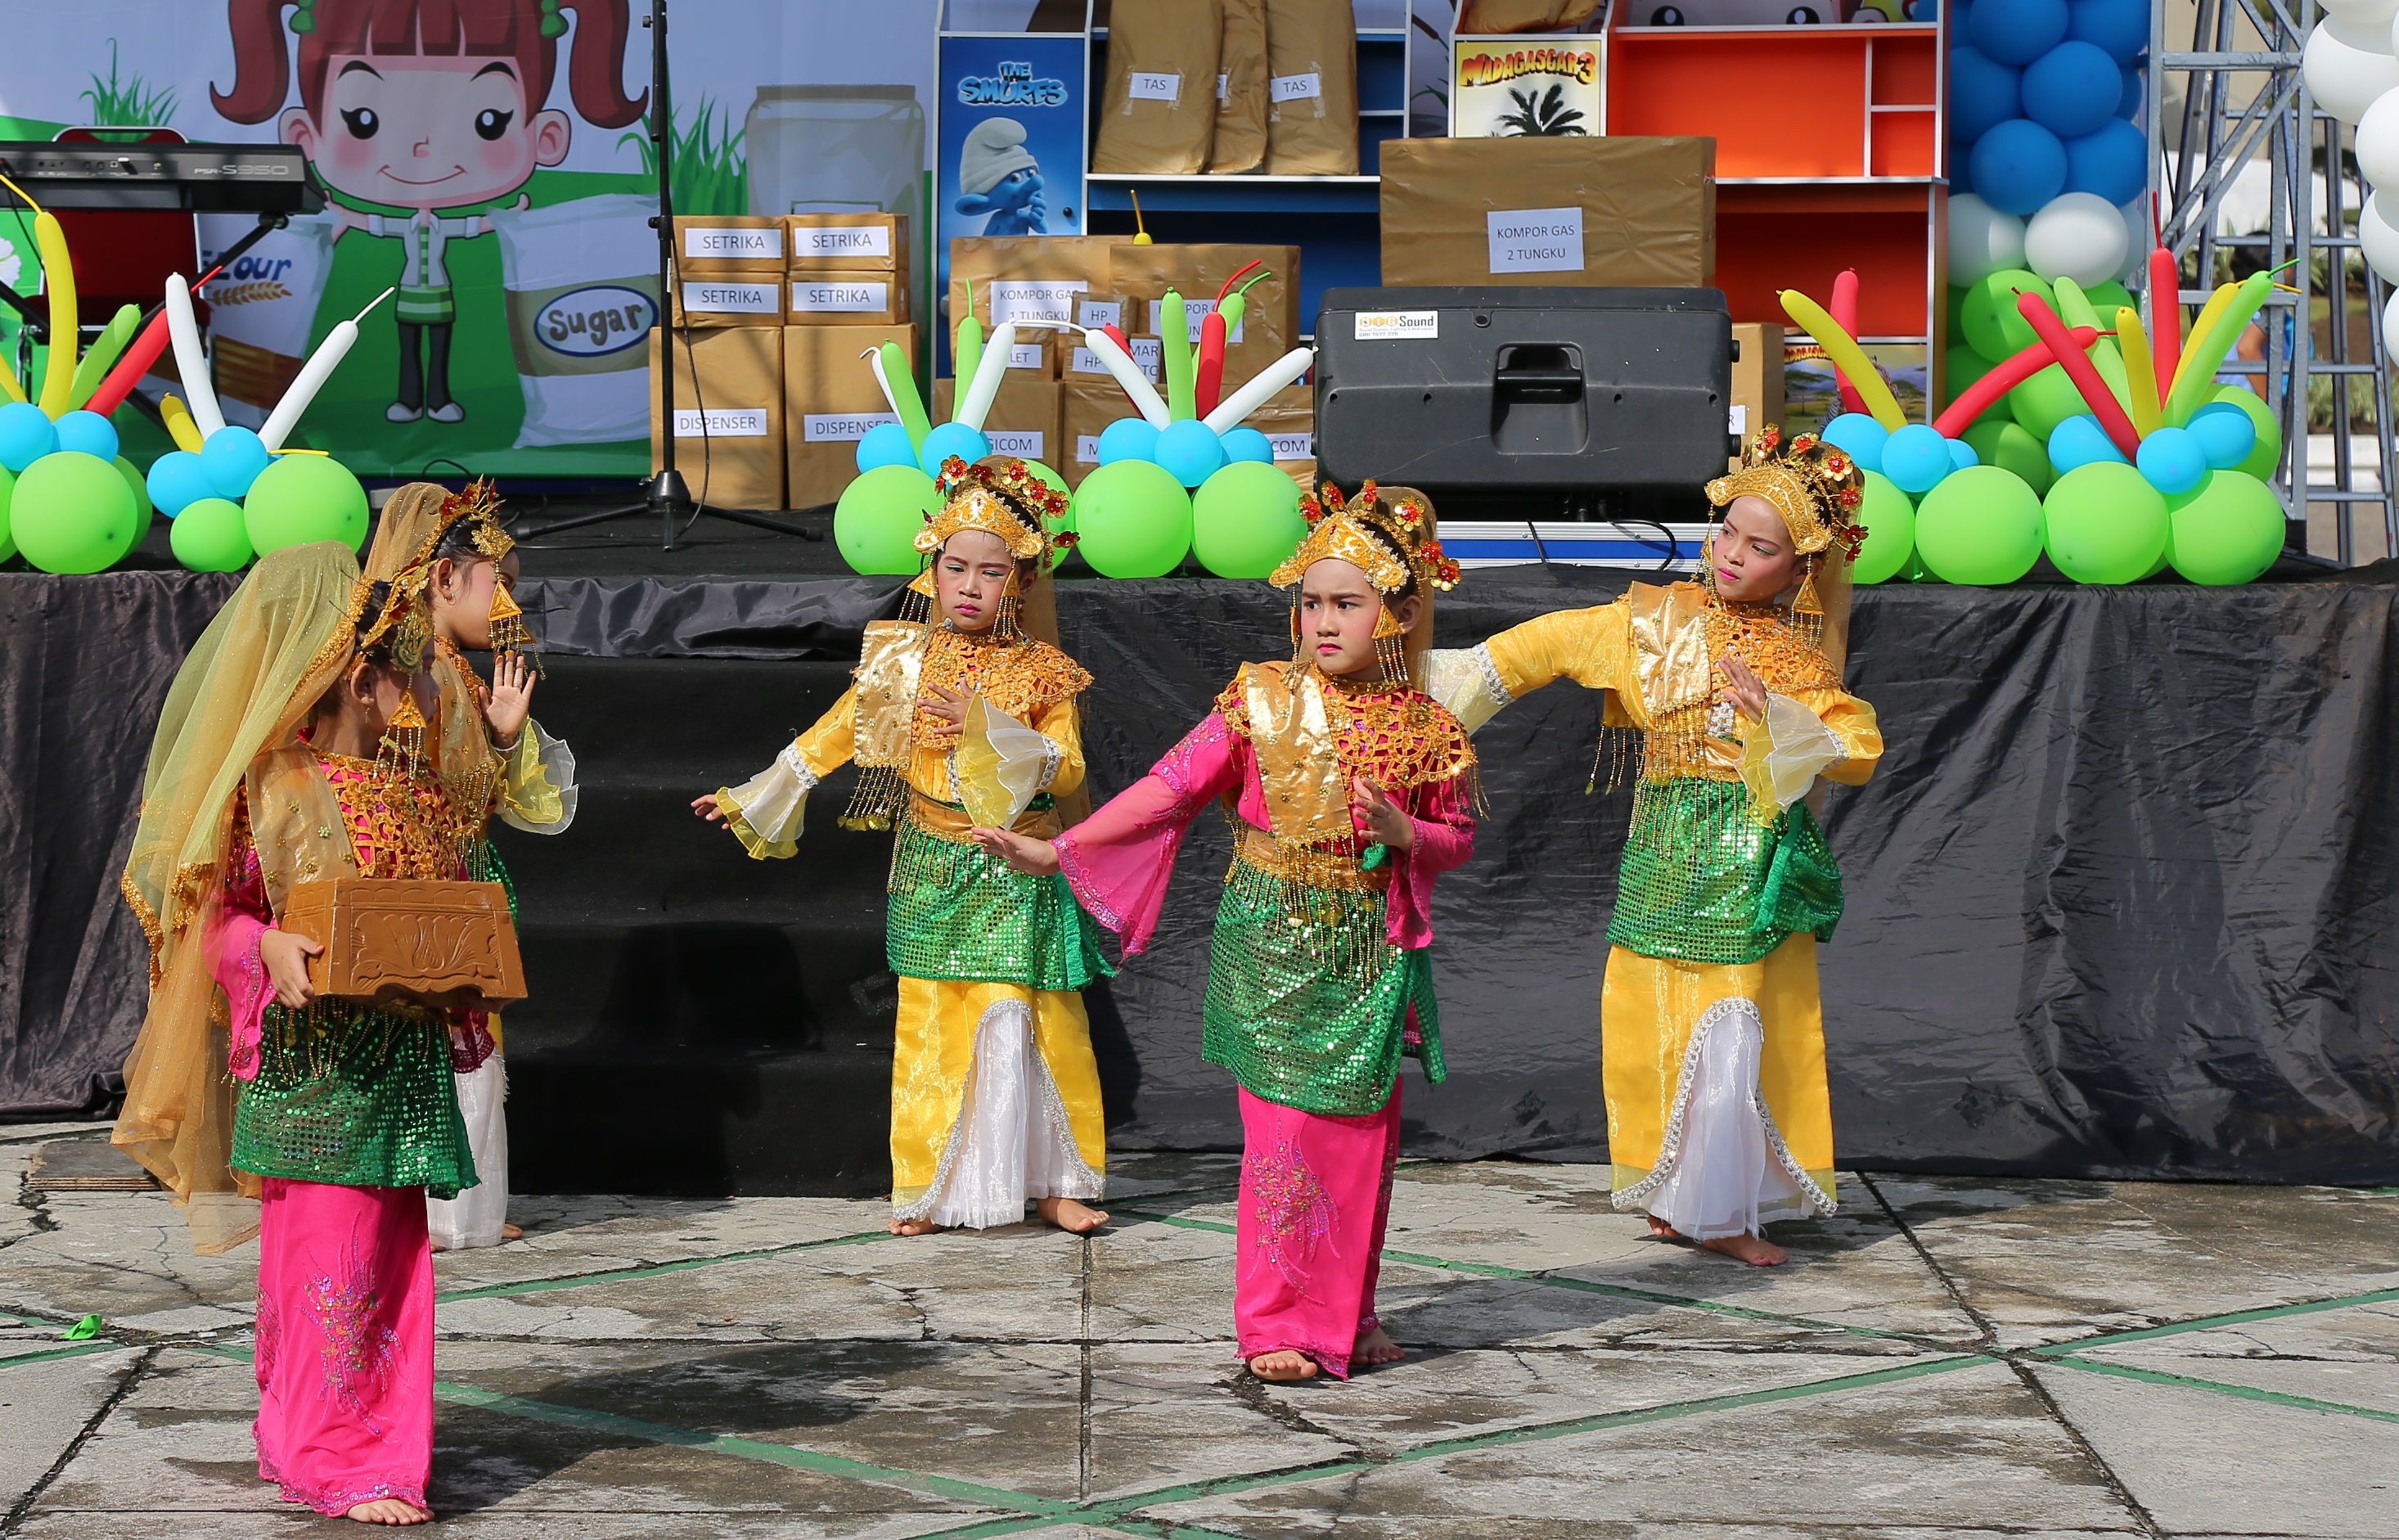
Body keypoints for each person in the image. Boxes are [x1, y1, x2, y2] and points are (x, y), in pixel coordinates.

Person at [975, 482, 1475, 1383]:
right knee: (1281, 1139)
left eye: (1346, 604)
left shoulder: (1426, 727)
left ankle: (1348, 1313)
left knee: (1359, 1140)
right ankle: (1273, 1322)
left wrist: (1409, 836)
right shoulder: (1259, 699)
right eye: (1310, 602)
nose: (1322, 622)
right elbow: (1168, 789)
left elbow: (1457, 838)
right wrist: (1061, 853)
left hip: (1364, 950)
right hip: (1268, 938)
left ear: (1396, 615)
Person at [1428, 426, 1883, 1267]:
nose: (1734, 554)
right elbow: (1549, 643)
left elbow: (1856, 746)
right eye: (1727, 533)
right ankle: (1680, 1198)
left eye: (1761, 546)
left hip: (1747, 868)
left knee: (1730, 1030)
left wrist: (1776, 719)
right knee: (1658, 1020)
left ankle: (1721, 1211)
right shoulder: (1657, 620)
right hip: (1663, 852)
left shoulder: (1792, 659)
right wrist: (1442, 694)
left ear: (1800, 568)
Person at [115, 542, 500, 1525]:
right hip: (315, 1069)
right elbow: (220, 916)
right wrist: (266, 948)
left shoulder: (416, 792)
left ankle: (354, 1444)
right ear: (361, 684)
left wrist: (467, 980)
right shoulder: (275, 788)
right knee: (329, 1267)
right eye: (401, 671)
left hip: (396, 1067)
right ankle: (339, 1458)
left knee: (391, 1268)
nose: (418, 686)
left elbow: (443, 915)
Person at [693, 457, 1109, 1236]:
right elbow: (839, 730)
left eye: (991, 572)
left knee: (1026, 1018)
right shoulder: (902, 660)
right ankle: (929, 1184)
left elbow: (1072, 766)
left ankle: (1052, 1181)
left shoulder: (1044, 671)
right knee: (931, 1022)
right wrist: (758, 792)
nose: (970, 586)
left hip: (1013, 862)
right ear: (934, 568)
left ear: (1019, 582)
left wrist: (992, 730)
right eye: (956, 567)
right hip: (931, 858)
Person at [214, 0, 646, 424]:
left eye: (490, 121)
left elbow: (472, 227)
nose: (423, 148)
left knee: (438, 353)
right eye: (363, 120)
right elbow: (377, 225)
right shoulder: (407, 226)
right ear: (304, 137)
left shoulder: (441, 226)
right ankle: (409, 401)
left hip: (440, 302)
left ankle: (438, 401)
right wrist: (343, 217)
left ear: (546, 138)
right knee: (407, 352)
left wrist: (506, 217)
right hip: (408, 300)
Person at [360, 480, 578, 1251]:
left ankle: (459, 1208)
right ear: (445, 579)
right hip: (420, 886)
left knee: (470, 1041)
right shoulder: (406, 668)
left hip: (461, 881)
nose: (513, 604)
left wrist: (506, 739)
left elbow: (488, 796)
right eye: (504, 585)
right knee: (432, 1042)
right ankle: (431, 1209)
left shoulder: (453, 669)